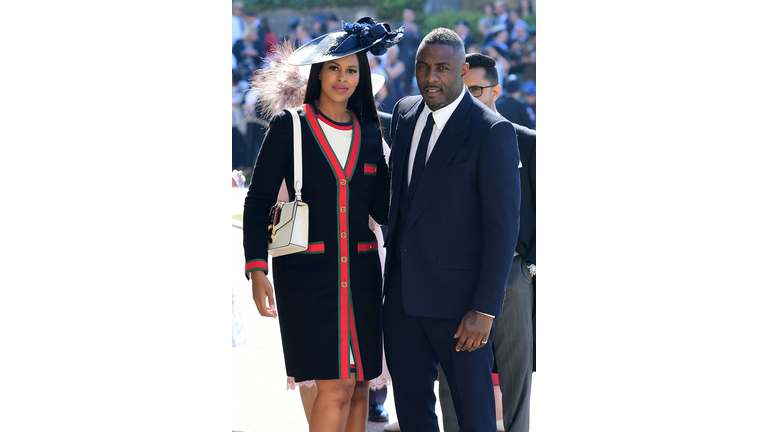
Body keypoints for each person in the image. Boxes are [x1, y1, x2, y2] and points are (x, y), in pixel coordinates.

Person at [243, 17, 403, 432]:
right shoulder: (289, 127)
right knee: (334, 387)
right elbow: (258, 201)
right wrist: (257, 270)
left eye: (352, 70)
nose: (343, 78)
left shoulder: (371, 131)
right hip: (307, 277)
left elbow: (384, 210)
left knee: (359, 388)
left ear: (362, 77)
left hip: (364, 278)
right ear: (318, 72)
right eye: (334, 68)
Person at [382, 28, 520, 432]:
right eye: (423, 67)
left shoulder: (491, 131)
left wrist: (484, 309)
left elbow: (502, 228)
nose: (431, 77)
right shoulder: (405, 114)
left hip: (463, 312)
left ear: (462, 70)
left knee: (475, 418)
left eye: (442, 68)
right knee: (413, 416)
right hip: (404, 303)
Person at [438, 52, 536, 432]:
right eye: (464, 90)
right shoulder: (447, 143)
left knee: (516, 377)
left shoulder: (527, 143)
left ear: (496, 91)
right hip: (458, 274)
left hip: (512, 272)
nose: (469, 98)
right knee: (453, 374)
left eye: (476, 90)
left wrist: (529, 265)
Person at [398, 8, 421, 96]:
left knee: (411, 76)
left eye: (410, 15)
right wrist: (403, 33)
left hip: (412, 57)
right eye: (407, 14)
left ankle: (409, 93)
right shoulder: (399, 26)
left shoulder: (416, 28)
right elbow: (395, 42)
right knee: (403, 77)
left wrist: (415, 34)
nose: (408, 16)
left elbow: (418, 43)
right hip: (402, 57)